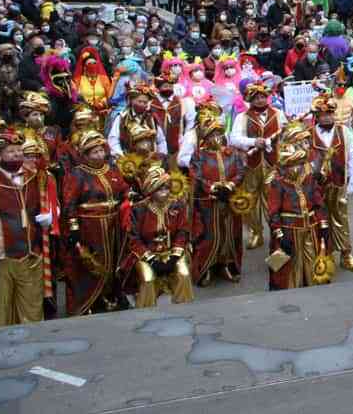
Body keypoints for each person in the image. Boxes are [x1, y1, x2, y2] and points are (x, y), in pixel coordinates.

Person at [62, 131, 130, 315]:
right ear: (85, 155)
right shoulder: (77, 174)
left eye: (101, 151)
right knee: (93, 263)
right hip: (90, 227)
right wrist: (74, 227)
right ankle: (93, 299)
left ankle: (112, 295)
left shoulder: (112, 169)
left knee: (114, 259)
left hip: (114, 223)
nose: (100, 155)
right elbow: (69, 203)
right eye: (94, 152)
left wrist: (129, 197)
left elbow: (123, 189)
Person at [266, 121, 331, 290]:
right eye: (301, 142)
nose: (305, 146)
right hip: (289, 230)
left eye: (305, 142)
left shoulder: (309, 173)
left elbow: (317, 200)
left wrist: (323, 224)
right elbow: (272, 211)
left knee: (313, 265)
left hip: (310, 228)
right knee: (288, 269)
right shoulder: (277, 178)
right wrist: (279, 234)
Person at [0, 130, 48, 325]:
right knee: (0, 307)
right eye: (10, 152)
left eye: (19, 151)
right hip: (2, 258)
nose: (16, 155)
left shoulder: (35, 178)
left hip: (31, 254)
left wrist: (50, 215)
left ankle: (33, 340)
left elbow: (48, 200)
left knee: (32, 308)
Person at [119, 165, 194, 308]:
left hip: (172, 252)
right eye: (160, 189)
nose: (165, 192)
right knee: (148, 279)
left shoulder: (177, 205)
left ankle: (184, 310)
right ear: (151, 191)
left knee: (184, 274)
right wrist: (151, 259)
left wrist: (175, 255)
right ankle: (145, 312)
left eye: (167, 188)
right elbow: (134, 239)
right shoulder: (139, 209)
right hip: (147, 254)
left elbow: (183, 231)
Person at [189, 105, 247, 287]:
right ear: (205, 138)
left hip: (230, 200)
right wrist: (212, 187)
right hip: (209, 202)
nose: (216, 138)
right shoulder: (199, 155)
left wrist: (230, 185)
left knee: (230, 233)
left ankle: (228, 264)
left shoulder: (233, 153)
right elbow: (196, 175)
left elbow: (240, 171)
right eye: (212, 135)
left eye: (219, 134)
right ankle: (206, 267)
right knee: (209, 235)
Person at [227, 81, 286, 249]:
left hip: (273, 164)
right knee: (250, 199)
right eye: (256, 98)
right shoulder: (242, 117)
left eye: (263, 97)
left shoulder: (278, 114)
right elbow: (234, 139)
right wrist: (253, 142)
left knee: (272, 199)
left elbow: (285, 135)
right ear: (250, 100)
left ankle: (276, 232)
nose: (260, 100)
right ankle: (256, 232)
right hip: (251, 164)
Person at [308, 93, 353, 273]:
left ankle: (346, 255)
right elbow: (306, 161)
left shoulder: (344, 131)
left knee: (341, 220)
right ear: (317, 116)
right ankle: (326, 253)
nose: (326, 117)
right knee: (320, 220)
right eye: (323, 115)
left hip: (339, 184)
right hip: (317, 188)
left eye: (329, 114)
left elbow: (351, 155)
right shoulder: (309, 134)